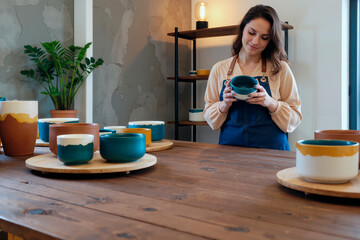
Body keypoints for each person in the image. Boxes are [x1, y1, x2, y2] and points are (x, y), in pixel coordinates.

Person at [203, 4, 302, 151]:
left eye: (264, 37)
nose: (255, 41)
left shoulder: (280, 69)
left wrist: (270, 102)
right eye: (251, 32)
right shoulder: (220, 69)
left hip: (272, 154)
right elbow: (212, 122)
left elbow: (294, 119)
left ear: (270, 40)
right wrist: (224, 105)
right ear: (243, 29)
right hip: (230, 154)